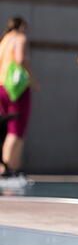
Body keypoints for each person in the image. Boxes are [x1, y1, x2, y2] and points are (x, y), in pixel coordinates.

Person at [0, 17, 38, 181]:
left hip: (1, 86)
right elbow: (21, 59)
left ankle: (7, 167)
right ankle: (8, 168)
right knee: (16, 129)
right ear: (22, 26)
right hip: (16, 89)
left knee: (6, 129)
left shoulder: (4, 40)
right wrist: (32, 78)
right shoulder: (20, 38)